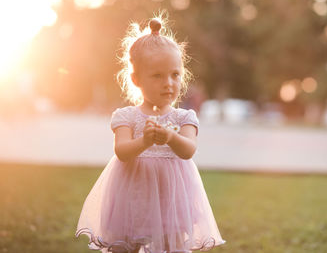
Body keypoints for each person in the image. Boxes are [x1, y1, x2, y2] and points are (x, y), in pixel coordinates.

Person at [75, 15, 226, 253]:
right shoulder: (127, 116)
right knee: (124, 246)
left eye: (175, 75)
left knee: (174, 244)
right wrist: (144, 141)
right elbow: (122, 152)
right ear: (136, 79)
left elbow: (188, 150)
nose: (168, 83)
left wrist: (171, 137)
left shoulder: (183, 118)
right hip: (133, 196)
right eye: (157, 76)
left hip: (172, 199)